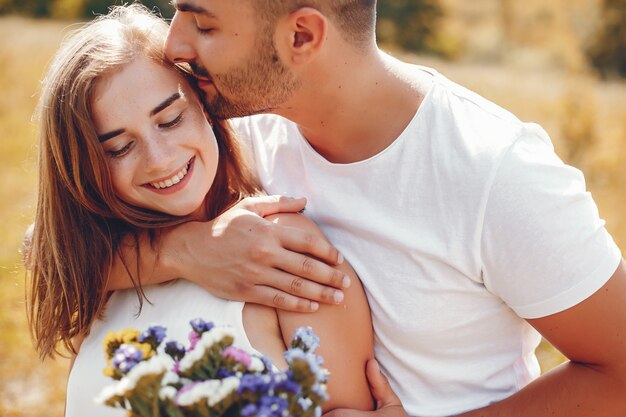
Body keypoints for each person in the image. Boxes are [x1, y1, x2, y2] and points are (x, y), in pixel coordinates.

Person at [104, 1, 626, 416]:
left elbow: (619, 376)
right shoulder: (238, 138)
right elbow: (48, 254)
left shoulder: (496, 172)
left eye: (203, 22)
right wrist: (182, 250)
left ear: (301, 36)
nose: (174, 41)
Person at [25, 4, 374, 416]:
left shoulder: (284, 251)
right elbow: (43, 247)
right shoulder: (106, 269)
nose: (158, 159)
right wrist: (183, 249)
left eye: (171, 120)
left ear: (206, 106)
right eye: (118, 148)